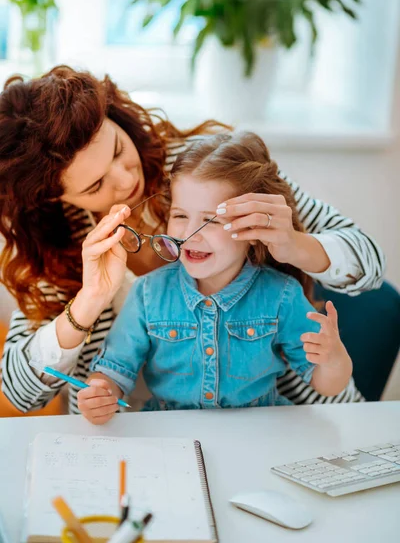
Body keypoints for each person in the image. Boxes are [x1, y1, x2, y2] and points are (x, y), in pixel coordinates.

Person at [0, 66, 383, 415]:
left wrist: (294, 244)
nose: (124, 179)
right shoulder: (56, 241)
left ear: (115, 118)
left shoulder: (207, 168)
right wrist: (88, 302)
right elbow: (18, 391)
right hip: (129, 435)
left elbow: (370, 265)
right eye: (96, 185)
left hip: (278, 419)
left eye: (118, 150)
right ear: (56, 197)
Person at [79, 133, 353, 424]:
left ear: (254, 227)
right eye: (181, 216)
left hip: (260, 434)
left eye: (213, 221)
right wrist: (100, 392)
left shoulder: (281, 295)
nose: (190, 234)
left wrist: (334, 360)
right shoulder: (147, 293)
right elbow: (113, 369)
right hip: (170, 437)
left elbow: (327, 384)